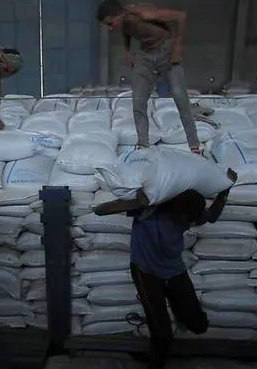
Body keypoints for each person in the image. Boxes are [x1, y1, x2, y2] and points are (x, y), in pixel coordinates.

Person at [94, 168, 238, 369]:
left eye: (192, 221)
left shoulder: (189, 211)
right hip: (145, 270)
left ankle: (179, 318)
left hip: (173, 268)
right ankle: (156, 359)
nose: (189, 225)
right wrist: (139, 202)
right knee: (160, 327)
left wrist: (225, 190)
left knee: (198, 324)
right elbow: (99, 210)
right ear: (175, 210)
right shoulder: (151, 209)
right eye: (187, 220)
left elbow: (212, 216)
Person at [96, 0, 201, 154]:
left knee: (180, 96)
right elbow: (127, 31)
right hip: (145, 55)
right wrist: (127, 51)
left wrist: (177, 48)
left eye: (110, 23)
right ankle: (143, 145)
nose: (111, 28)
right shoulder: (124, 20)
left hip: (167, 51)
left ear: (118, 15)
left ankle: (194, 146)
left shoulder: (144, 14)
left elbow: (180, 17)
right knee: (138, 100)